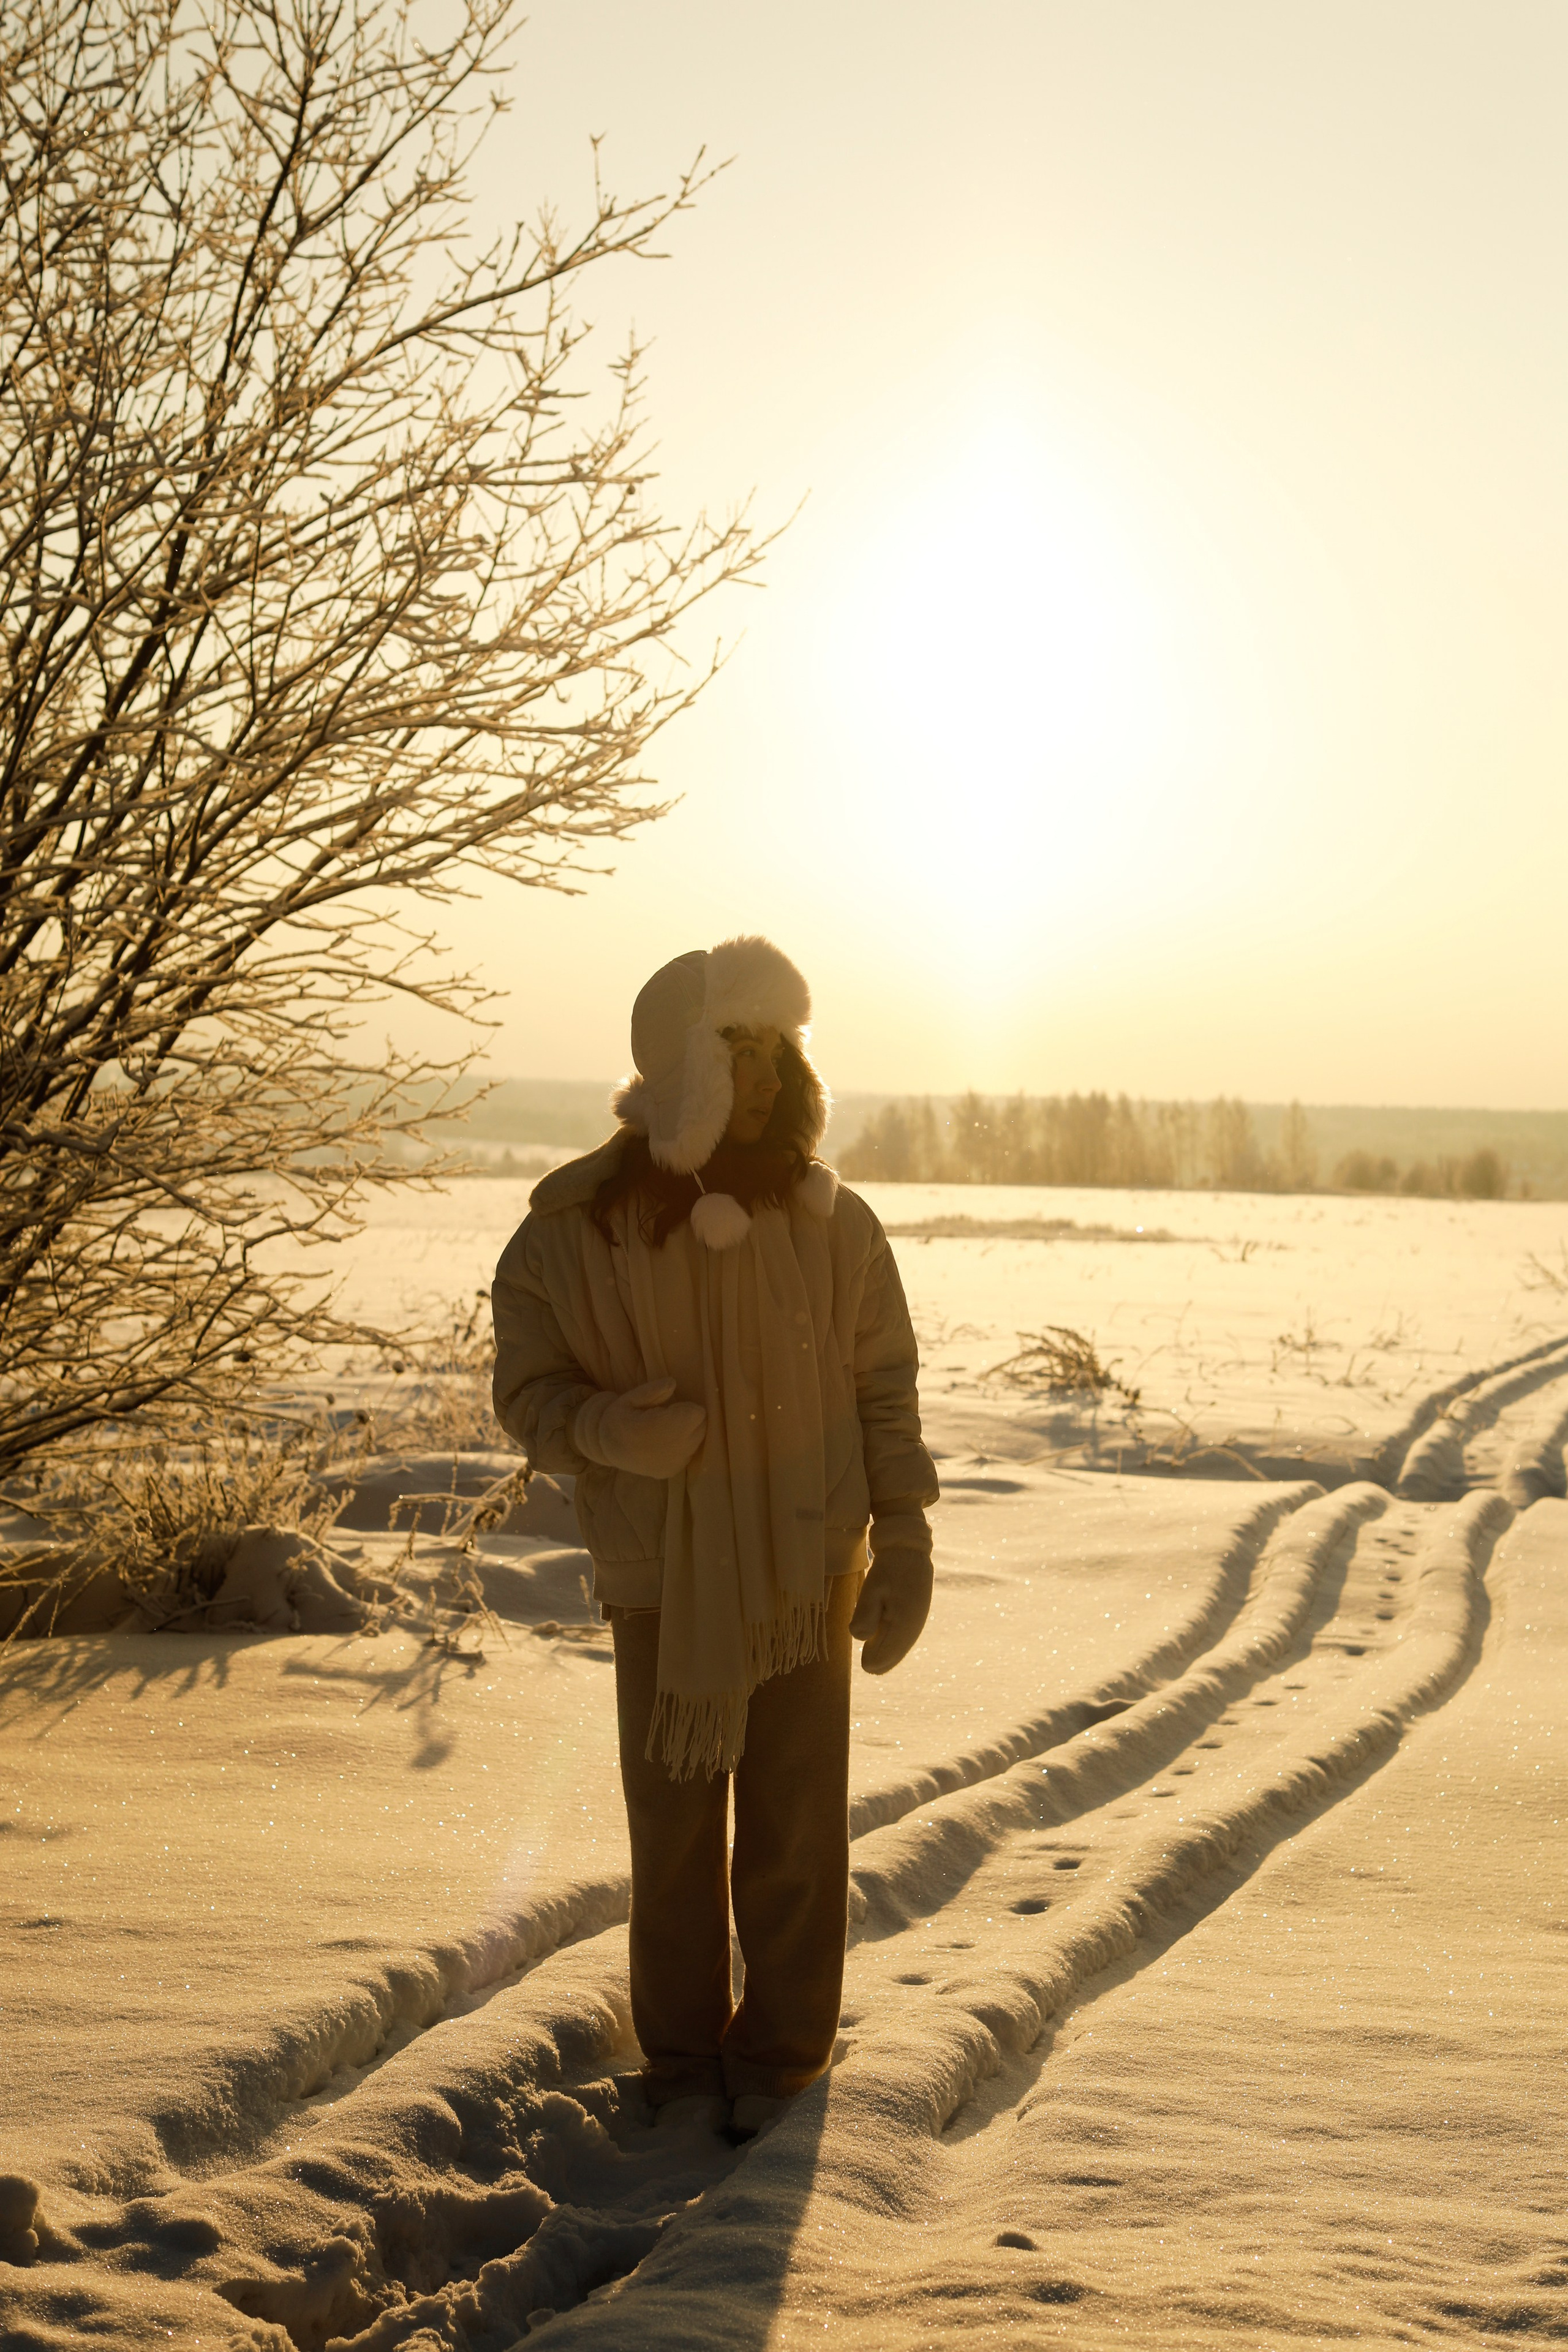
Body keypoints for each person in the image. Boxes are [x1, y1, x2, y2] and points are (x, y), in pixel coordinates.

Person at [491, 936, 939, 2138]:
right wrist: (603, 1432)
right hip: (661, 1579)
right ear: (675, 1071)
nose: (753, 1080)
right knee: (675, 1840)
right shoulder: (579, 1231)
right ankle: (684, 2066)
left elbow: (883, 1392)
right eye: (727, 1054)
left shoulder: (831, 1224)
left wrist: (904, 1540)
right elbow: (525, 1395)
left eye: (770, 1054)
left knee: (795, 1834)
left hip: (808, 1567)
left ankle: (785, 2062)